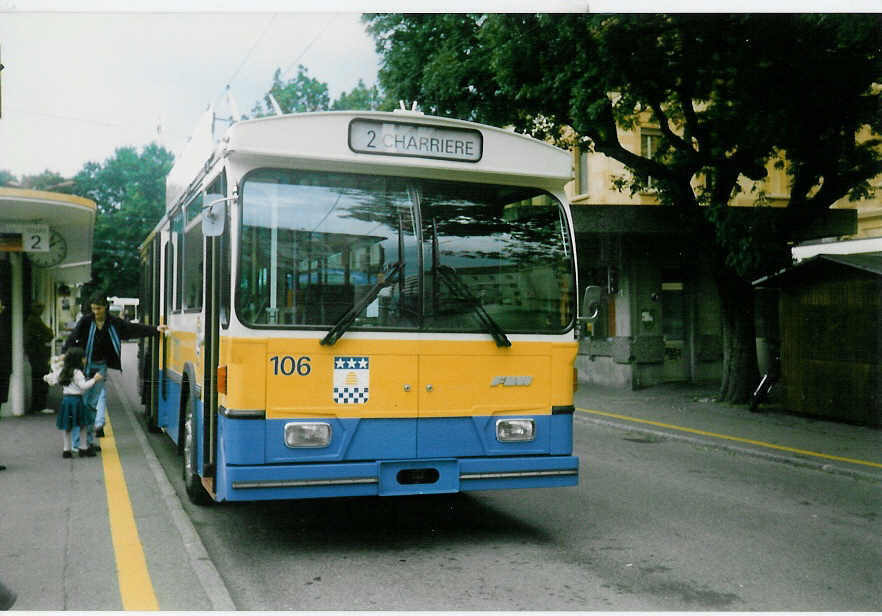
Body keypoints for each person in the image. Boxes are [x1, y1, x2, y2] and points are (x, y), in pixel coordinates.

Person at [63, 292, 167, 452]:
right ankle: (78, 443)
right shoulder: (86, 321)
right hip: (84, 367)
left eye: (98, 308)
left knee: (91, 405)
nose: (95, 312)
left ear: (105, 307)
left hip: (101, 367)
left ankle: (87, 441)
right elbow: (73, 337)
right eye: (93, 309)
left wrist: (155, 330)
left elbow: (132, 329)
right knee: (82, 404)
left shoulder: (113, 323)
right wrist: (64, 354)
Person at [43, 346, 103, 458]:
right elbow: (83, 386)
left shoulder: (63, 371)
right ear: (78, 360)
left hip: (66, 401)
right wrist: (94, 379)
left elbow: (52, 379)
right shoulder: (78, 373)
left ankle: (66, 450)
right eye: (83, 358)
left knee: (67, 427)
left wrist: (47, 377)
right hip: (77, 401)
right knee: (83, 425)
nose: (85, 360)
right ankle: (83, 448)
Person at [24, 303, 54, 413]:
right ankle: (39, 406)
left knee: (38, 380)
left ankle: (38, 405)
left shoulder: (32, 320)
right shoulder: (35, 321)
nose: (42, 310)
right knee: (41, 380)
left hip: (35, 355)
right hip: (38, 355)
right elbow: (49, 334)